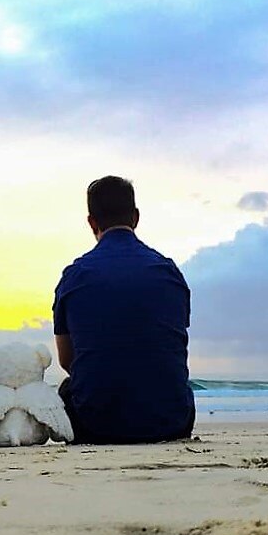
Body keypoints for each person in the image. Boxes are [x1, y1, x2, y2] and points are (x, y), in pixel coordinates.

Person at [53, 176, 195, 443]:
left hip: (94, 425)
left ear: (91, 222)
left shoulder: (74, 276)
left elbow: (67, 360)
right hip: (171, 421)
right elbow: (174, 345)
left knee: (67, 390)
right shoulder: (169, 273)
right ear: (136, 217)